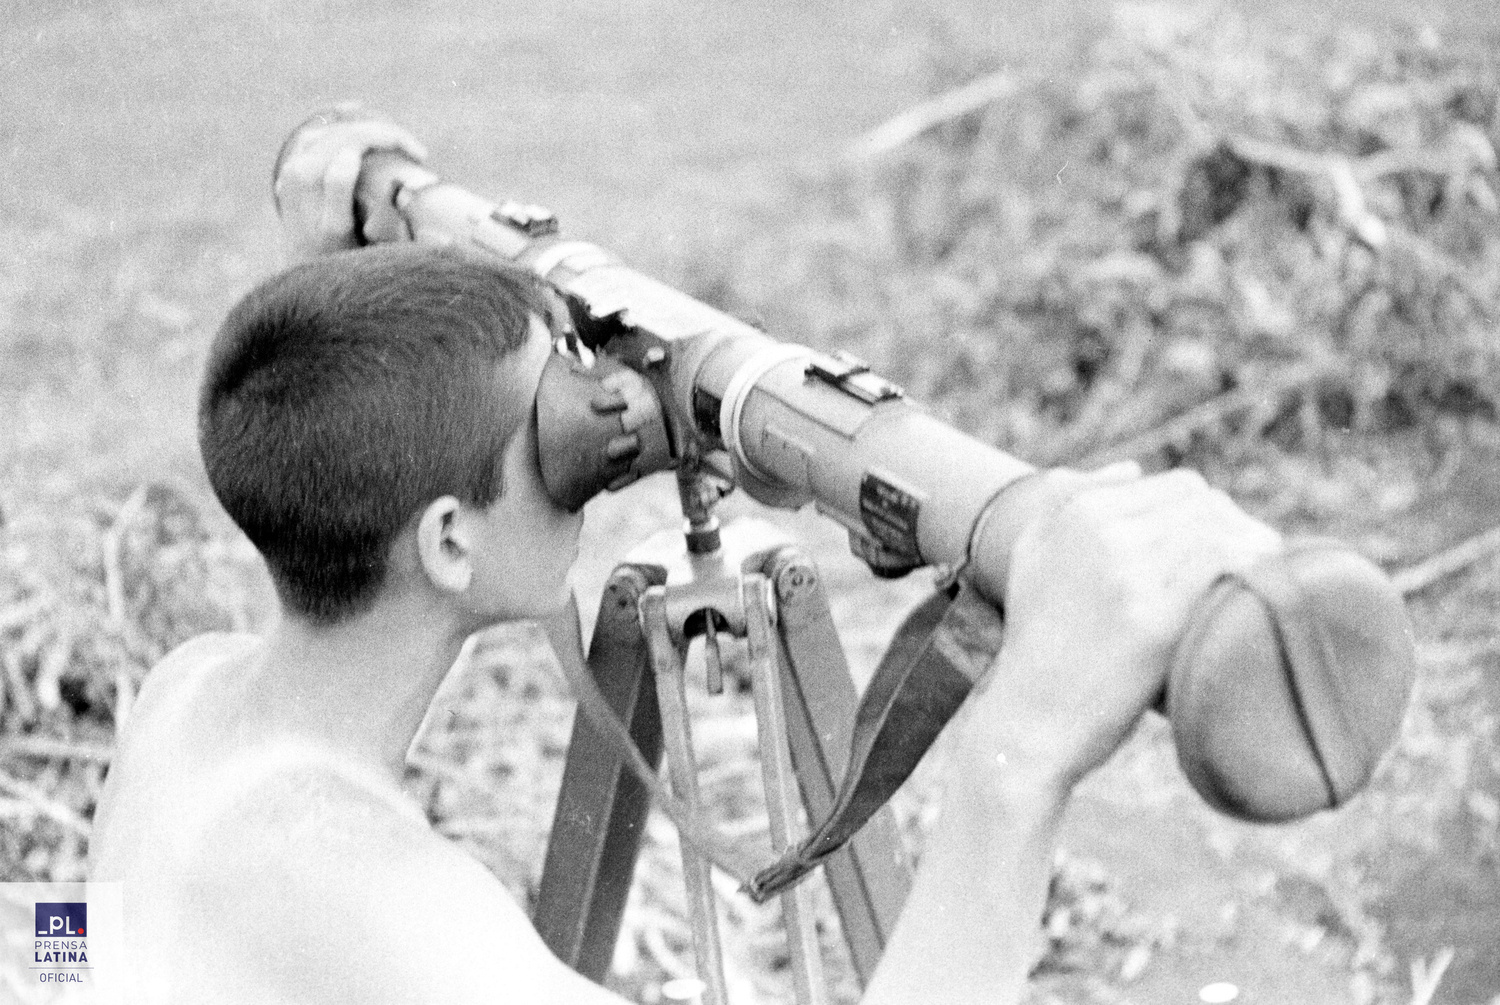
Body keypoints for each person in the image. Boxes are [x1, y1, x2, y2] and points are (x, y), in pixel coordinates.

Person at [88, 113, 1281, 1004]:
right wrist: (1019, 765)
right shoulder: (390, 911)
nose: (596, 427)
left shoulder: (185, 701)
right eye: (555, 420)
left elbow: (70, 937)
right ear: (448, 539)